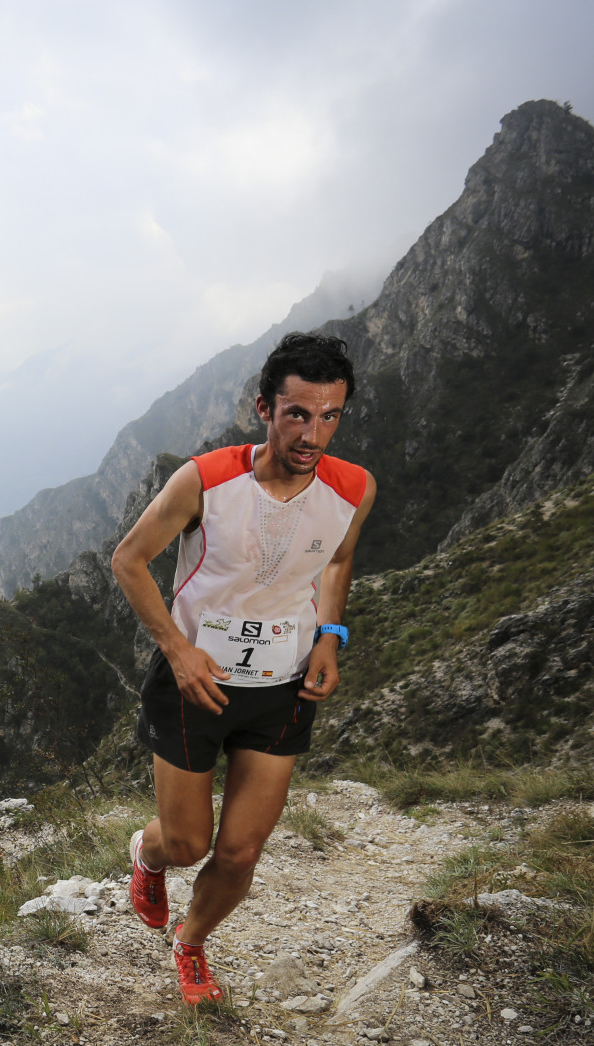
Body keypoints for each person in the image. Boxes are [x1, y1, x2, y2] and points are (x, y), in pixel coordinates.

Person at [110, 332, 377, 1004]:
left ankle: (191, 943)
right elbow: (128, 560)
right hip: (193, 684)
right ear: (264, 406)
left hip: (282, 688)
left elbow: (338, 560)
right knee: (189, 840)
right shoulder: (206, 479)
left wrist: (330, 637)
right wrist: (177, 648)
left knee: (239, 853)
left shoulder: (353, 489)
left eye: (330, 416)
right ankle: (146, 855)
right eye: (297, 414)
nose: (313, 433)